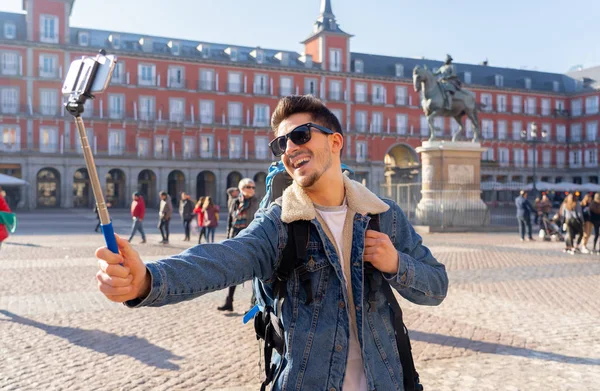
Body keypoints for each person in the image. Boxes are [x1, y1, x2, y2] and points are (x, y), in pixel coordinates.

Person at [95, 95, 448, 391]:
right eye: (282, 143)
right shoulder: (281, 223)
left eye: (301, 135)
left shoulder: (383, 215)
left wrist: (396, 264)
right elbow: (225, 258)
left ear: (335, 141)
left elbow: (436, 286)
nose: (290, 148)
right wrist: (146, 281)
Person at [217, 178, 260, 312]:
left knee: (255, 275)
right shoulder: (235, 202)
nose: (252, 189)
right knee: (234, 272)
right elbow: (230, 222)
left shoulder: (257, 202)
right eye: (248, 187)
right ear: (241, 188)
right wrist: (228, 239)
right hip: (236, 240)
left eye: (253, 187)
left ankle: (253, 306)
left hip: (251, 241)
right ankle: (229, 302)